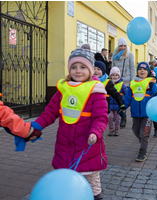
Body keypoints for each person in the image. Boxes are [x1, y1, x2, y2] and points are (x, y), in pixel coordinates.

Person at [31, 48, 109, 200]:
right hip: (64, 147)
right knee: (67, 185)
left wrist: (95, 133)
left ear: (90, 69)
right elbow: (50, 113)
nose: (78, 71)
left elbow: (101, 118)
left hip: (88, 147)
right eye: (74, 67)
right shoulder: (63, 90)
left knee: (93, 186)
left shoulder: (96, 91)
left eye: (82, 67)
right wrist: (36, 126)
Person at [123, 62, 157, 162]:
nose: (142, 71)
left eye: (144, 69)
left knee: (144, 133)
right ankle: (142, 140)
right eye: (140, 69)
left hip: (147, 114)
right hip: (135, 113)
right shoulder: (132, 83)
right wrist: (123, 107)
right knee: (135, 130)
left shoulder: (151, 84)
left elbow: (155, 96)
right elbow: (127, 98)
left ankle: (142, 152)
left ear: (148, 72)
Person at [111, 37, 135, 129]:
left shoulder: (130, 54)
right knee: (116, 100)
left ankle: (123, 117)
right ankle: (117, 117)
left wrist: (132, 80)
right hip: (116, 81)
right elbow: (113, 67)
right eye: (121, 46)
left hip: (126, 82)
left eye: (124, 45)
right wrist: (111, 78)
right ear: (118, 46)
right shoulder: (115, 55)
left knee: (123, 102)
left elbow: (132, 68)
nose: (123, 47)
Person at [108, 67, 127, 136]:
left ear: (119, 76)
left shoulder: (122, 84)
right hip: (110, 106)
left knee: (117, 118)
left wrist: (125, 102)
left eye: (116, 75)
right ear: (110, 76)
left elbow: (126, 93)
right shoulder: (108, 84)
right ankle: (110, 129)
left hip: (118, 106)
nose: (114, 77)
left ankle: (116, 130)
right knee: (110, 117)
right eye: (113, 75)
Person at [151, 71, 157, 137]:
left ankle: (156, 129)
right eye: (151, 79)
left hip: (155, 106)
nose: (152, 80)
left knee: (155, 119)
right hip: (148, 105)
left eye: (154, 79)